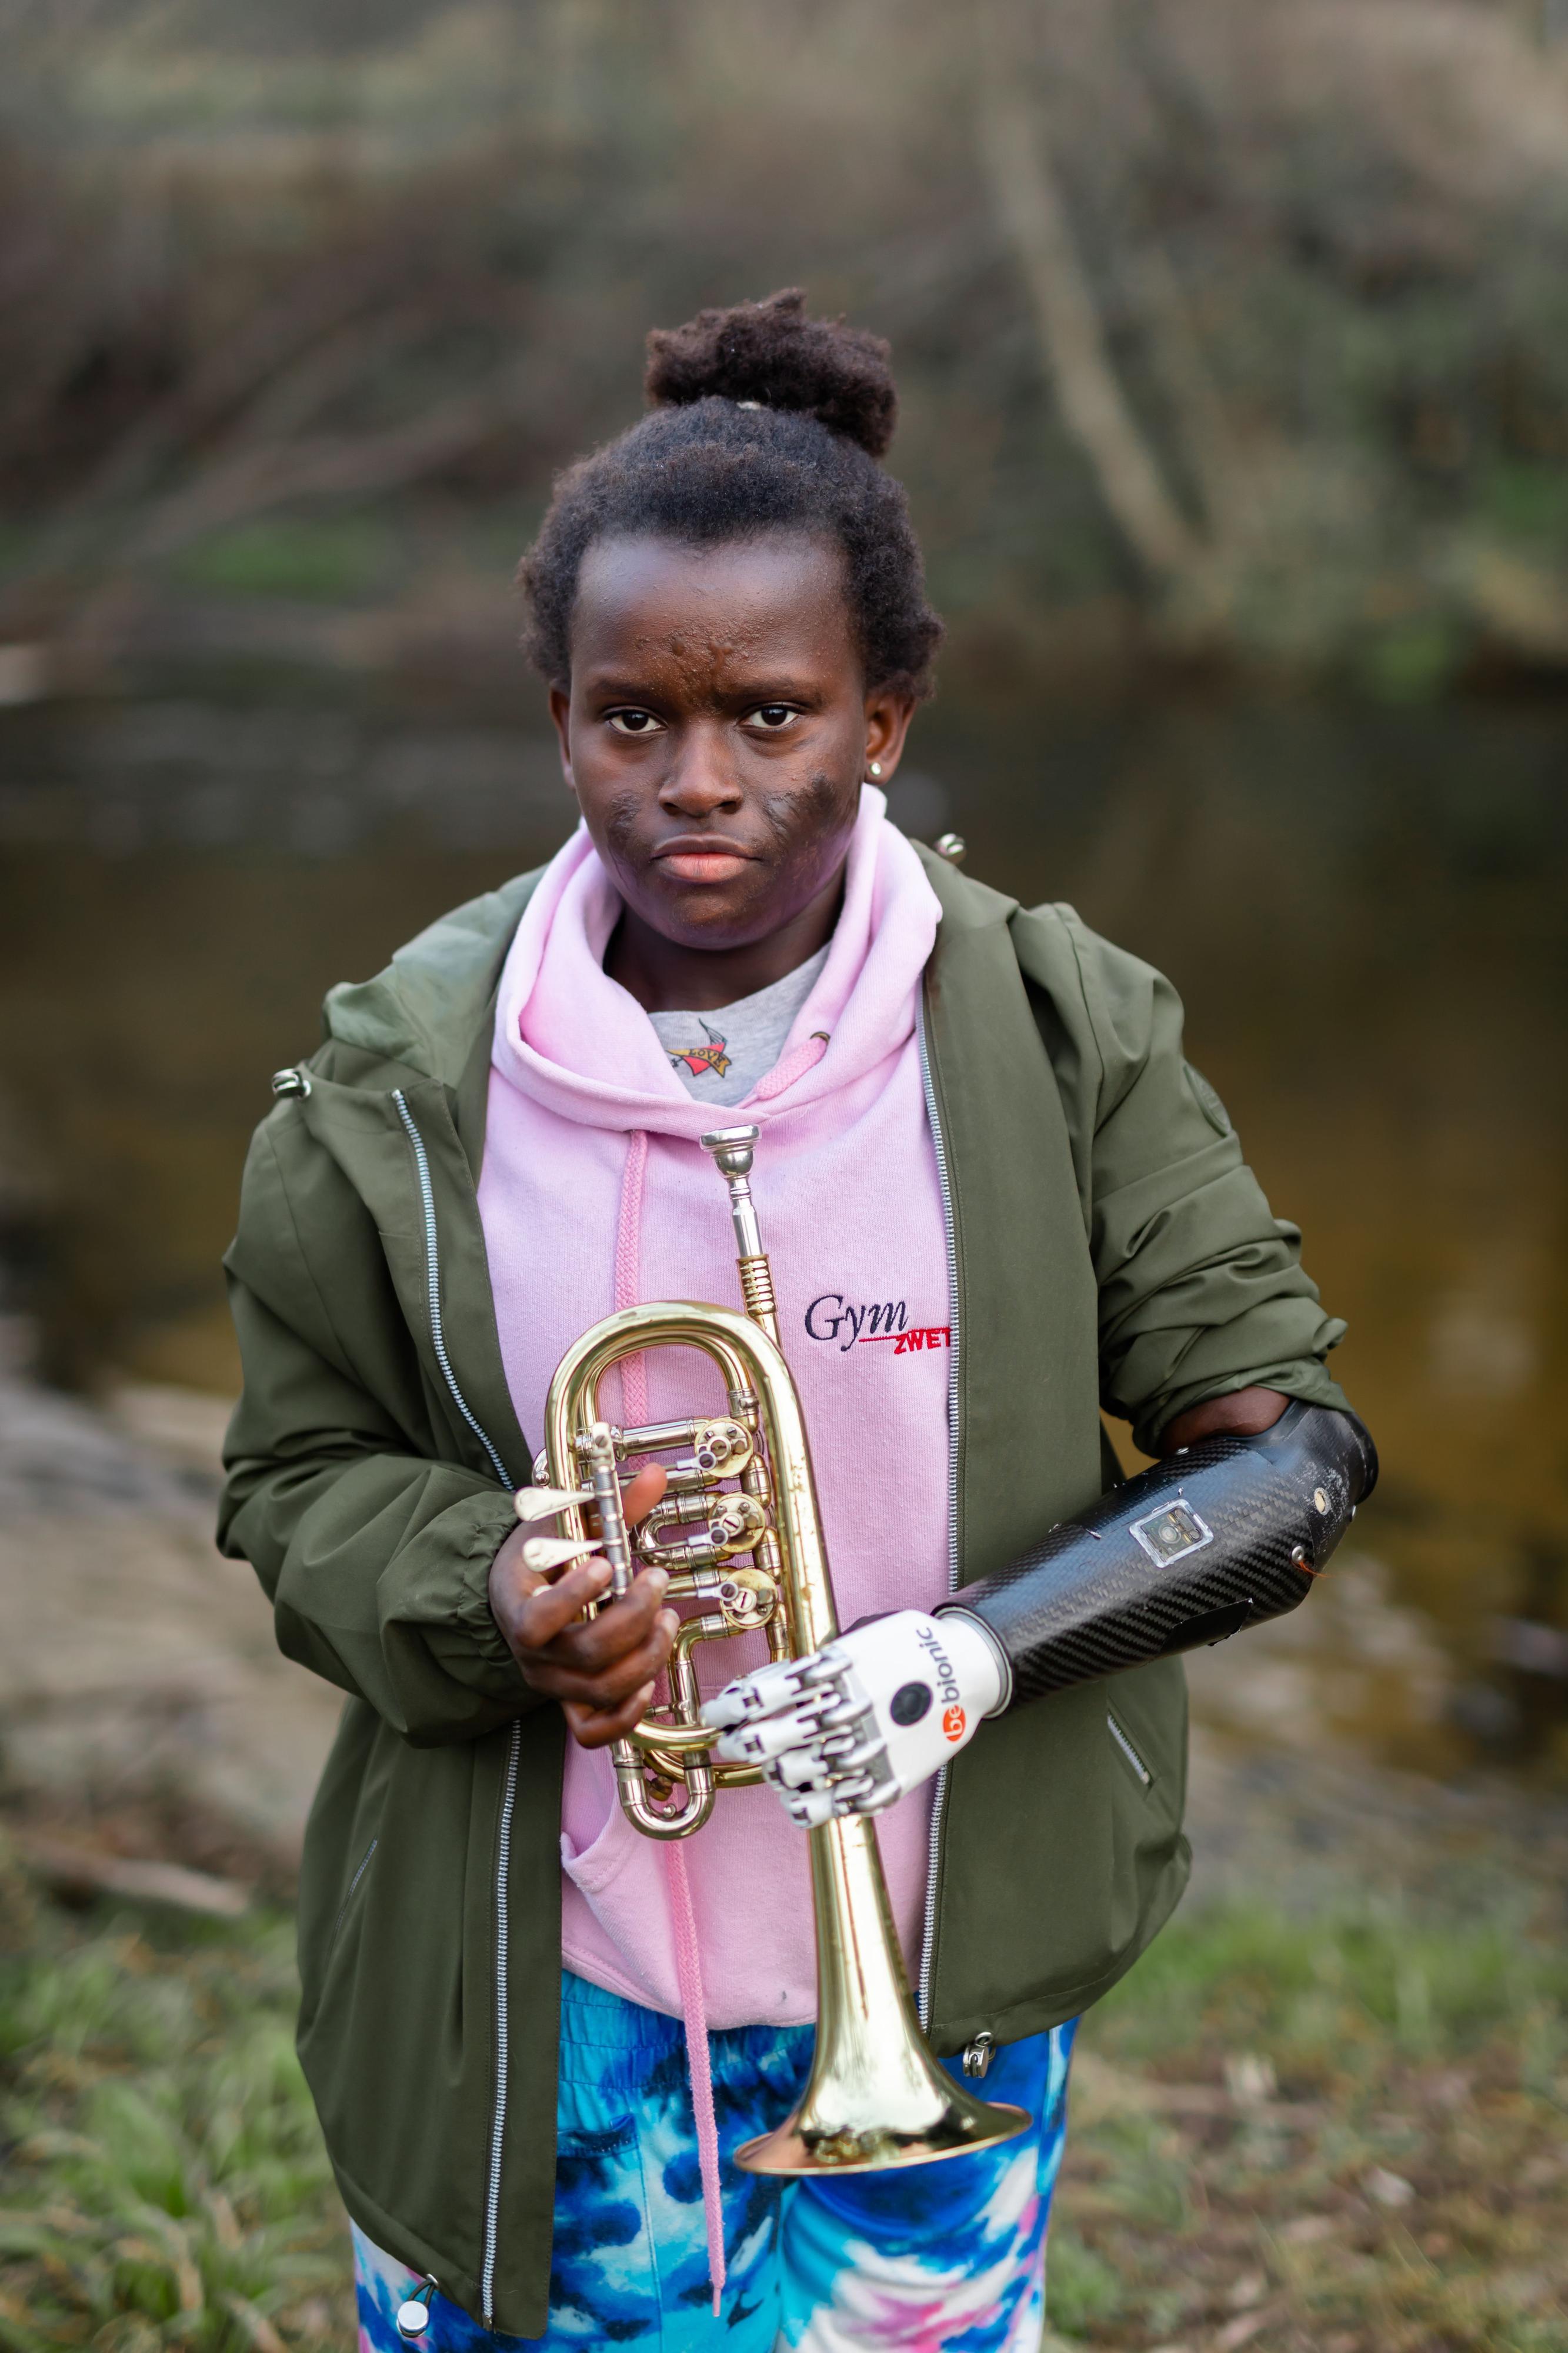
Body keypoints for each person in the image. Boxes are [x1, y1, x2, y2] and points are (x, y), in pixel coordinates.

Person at [218, 290, 1368, 2353]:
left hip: (938, 1983)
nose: (695, 781)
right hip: (528, 1991)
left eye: (770, 714)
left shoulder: (1057, 1026)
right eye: (627, 720)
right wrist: (487, 1581)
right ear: (558, 716)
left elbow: (1286, 1467)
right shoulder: (393, 1079)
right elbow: (296, 1483)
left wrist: (970, 1656)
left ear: (885, 718)